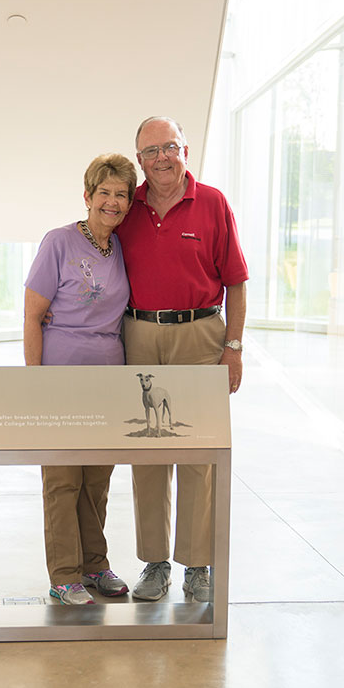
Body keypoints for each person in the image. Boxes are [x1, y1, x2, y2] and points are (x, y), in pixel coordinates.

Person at [114, 116, 248, 602]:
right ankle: (154, 563)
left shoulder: (212, 202)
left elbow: (236, 279)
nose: (161, 159)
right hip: (140, 336)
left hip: (200, 335)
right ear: (139, 161)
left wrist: (232, 347)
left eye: (169, 147)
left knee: (199, 452)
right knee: (146, 449)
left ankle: (197, 564)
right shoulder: (128, 208)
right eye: (150, 152)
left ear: (185, 150)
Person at [23, 153, 137, 605]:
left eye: (122, 194)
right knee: (63, 478)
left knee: (97, 478)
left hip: (109, 375)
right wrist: (34, 383)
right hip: (61, 375)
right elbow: (33, 316)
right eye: (104, 192)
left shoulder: (122, 248)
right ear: (88, 196)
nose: (112, 202)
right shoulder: (59, 242)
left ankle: (95, 565)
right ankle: (64, 574)